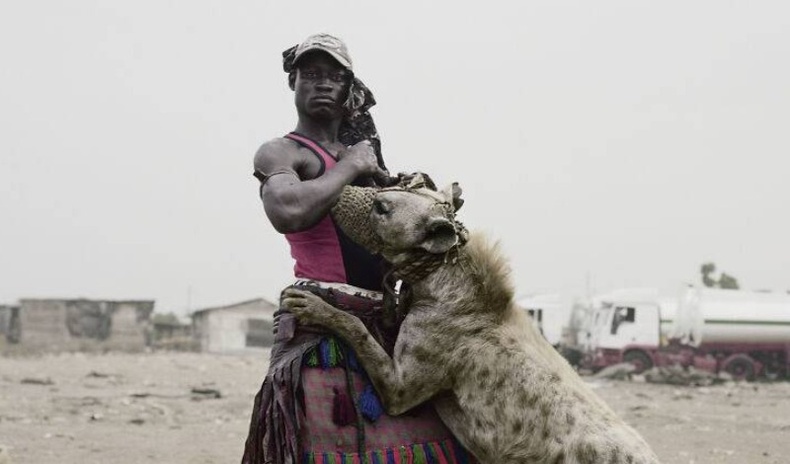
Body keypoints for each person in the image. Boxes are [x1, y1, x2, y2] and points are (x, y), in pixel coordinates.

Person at [242, 34, 476, 464]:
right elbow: (287, 212)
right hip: (322, 327)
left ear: (350, 87)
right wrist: (352, 166)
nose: (323, 83)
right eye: (311, 74)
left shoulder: (370, 158)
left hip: (387, 327)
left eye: (336, 76)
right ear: (292, 81)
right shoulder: (284, 151)